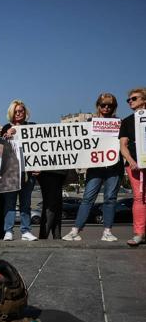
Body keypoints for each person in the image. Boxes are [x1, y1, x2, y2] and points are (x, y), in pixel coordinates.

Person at [63, 94, 123, 242]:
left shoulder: (119, 123)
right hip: (95, 167)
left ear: (114, 107)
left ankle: (107, 231)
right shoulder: (90, 122)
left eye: (110, 105)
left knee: (110, 198)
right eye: (103, 105)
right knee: (87, 198)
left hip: (114, 166)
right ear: (98, 106)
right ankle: (75, 230)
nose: (106, 108)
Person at [0, 100, 38, 241]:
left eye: (21, 111)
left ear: (25, 112)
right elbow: (0, 148)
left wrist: (38, 165)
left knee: (26, 203)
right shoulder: (6, 128)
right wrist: (9, 133)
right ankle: (8, 231)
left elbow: (39, 148)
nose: (18, 113)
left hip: (28, 173)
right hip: (11, 173)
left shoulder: (33, 128)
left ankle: (26, 231)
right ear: (11, 113)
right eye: (16, 111)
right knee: (10, 203)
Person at [119, 88, 146, 246]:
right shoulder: (127, 121)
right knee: (139, 198)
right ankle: (138, 233)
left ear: (144, 100)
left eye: (134, 98)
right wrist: (131, 161)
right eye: (128, 100)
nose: (130, 101)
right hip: (135, 165)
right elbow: (123, 145)